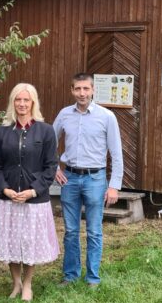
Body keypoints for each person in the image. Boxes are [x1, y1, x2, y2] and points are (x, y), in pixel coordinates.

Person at [52, 73, 123, 287]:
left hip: (95, 179)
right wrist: (54, 168)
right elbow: (49, 143)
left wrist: (114, 186)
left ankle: (93, 277)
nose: (82, 93)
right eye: (77, 89)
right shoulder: (64, 115)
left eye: (86, 89)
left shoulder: (107, 116)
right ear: (72, 90)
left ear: (93, 90)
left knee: (94, 230)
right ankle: (71, 275)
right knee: (71, 231)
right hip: (70, 178)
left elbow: (116, 153)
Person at [0, 83, 60, 302]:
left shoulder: (45, 131)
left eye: (26, 100)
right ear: (13, 102)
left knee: (29, 242)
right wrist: (4, 189)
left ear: (33, 103)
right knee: (11, 241)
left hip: (34, 199)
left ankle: (28, 284)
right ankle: (16, 283)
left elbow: (51, 167)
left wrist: (34, 190)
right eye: (18, 100)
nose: (22, 104)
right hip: (9, 197)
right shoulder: (2, 132)